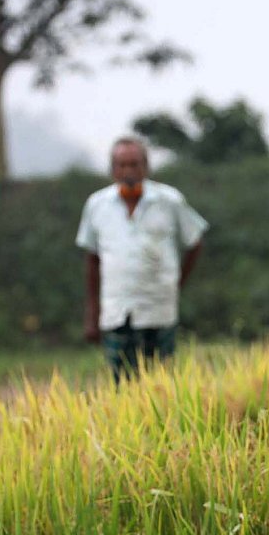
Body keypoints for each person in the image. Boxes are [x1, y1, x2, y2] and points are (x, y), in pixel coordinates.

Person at [75, 136, 208, 382]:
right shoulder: (97, 205)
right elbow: (92, 259)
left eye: (134, 164)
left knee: (161, 384)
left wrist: (176, 282)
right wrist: (92, 313)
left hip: (159, 309)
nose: (128, 171)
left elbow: (195, 242)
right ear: (113, 169)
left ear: (146, 167)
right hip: (117, 310)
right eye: (122, 165)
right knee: (121, 384)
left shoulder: (169, 201)